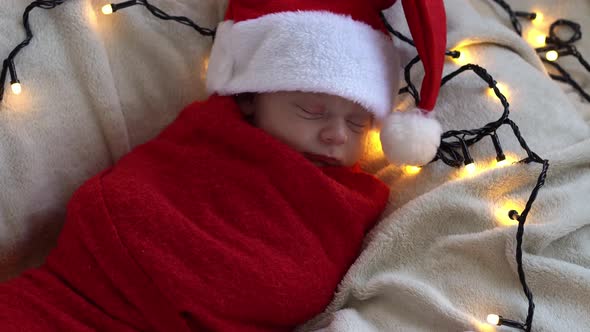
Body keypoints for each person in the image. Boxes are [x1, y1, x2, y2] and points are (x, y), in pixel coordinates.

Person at [0, 0, 446, 331]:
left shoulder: (346, 199)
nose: (336, 135)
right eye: (312, 111)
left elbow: (293, 280)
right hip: (78, 293)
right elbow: (127, 201)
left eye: (357, 123)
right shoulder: (209, 137)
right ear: (253, 96)